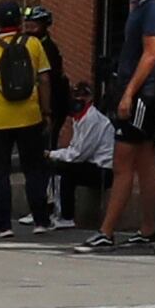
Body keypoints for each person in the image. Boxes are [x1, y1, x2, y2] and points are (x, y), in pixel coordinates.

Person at [93, 0, 155, 251]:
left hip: (142, 94)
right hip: (141, 93)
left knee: (123, 163)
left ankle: (107, 230)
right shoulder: (141, 5)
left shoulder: (153, 9)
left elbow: (150, 55)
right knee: (145, 163)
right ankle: (148, 228)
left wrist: (128, 93)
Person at [0, 1, 56, 235]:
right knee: (34, 169)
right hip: (30, 116)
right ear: (20, 22)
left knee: (0, 172)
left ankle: (2, 225)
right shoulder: (33, 44)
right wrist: (46, 112)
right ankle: (41, 221)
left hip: (0, 119)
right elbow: (44, 80)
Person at [51, 83, 118, 230]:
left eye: (83, 95)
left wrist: (53, 154)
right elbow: (75, 148)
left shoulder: (92, 119)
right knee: (56, 166)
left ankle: (66, 217)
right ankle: (50, 209)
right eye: (76, 95)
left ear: (90, 98)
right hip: (93, 164)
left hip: (104, 171)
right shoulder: (79, 118)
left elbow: (80, 154)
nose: (79, 99)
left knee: (65, 170)